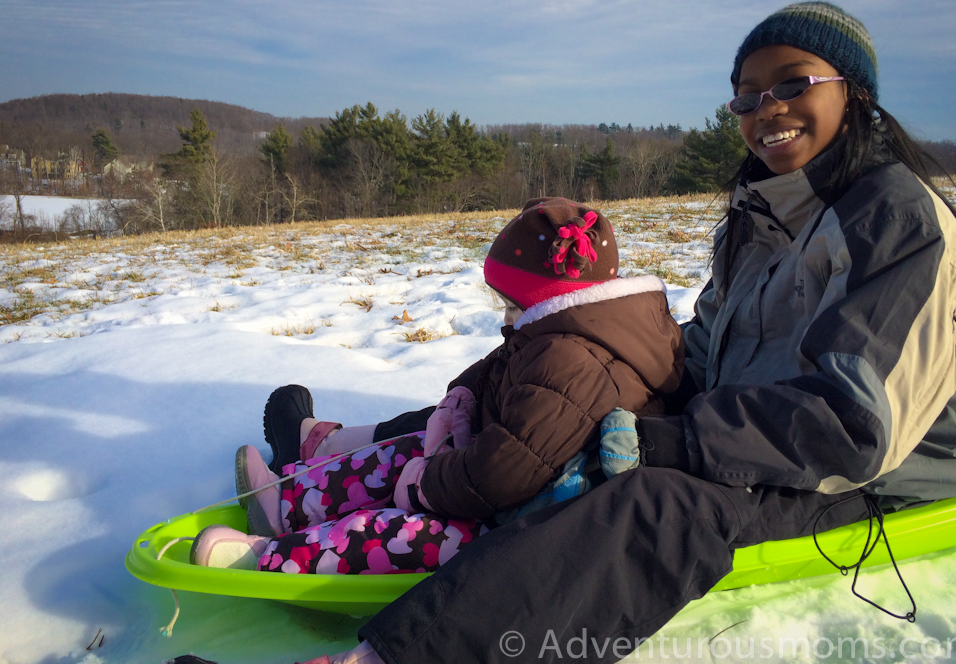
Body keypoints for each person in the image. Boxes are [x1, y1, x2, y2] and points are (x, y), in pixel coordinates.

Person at [150, 1, 956, 664]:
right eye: (746, 93)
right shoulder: (766, 213)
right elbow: (711, 349)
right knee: (556, 390)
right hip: (754, 420)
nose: (765, 109)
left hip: (889, 466)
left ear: (856, 93)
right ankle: (328, 461)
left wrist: (665, 442)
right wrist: (612, 371)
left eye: (791, 82)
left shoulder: (897, 222)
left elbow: (851, 425)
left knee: (659, 507)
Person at [187, 197, 684, 580]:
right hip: (494, 482)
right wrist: (462, 397)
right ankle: (288, 503)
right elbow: (501, 364)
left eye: (512, 306)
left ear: (553, 302)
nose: (507, 320)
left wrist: (426, 485)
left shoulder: (576, 363)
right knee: (400, 452)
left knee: (393, 533)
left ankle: (267, 559)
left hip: (520, 524)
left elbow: (502, 474)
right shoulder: (565, 332)